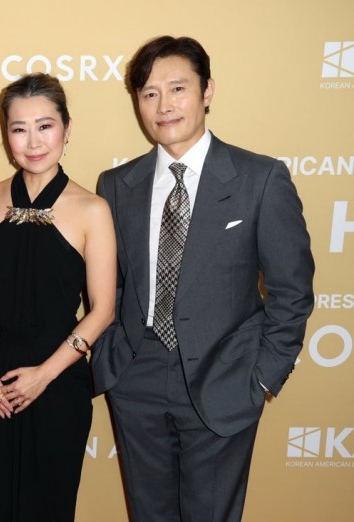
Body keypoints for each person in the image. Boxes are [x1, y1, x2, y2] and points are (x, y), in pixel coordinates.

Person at [93, 36, 315, 521]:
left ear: (207, 90)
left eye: (178, 89)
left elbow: (292, 291)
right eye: (150, 93)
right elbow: (112, 284)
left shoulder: (260, 178)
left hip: (226, 377)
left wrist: (263, 376)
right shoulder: (117, 185)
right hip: (136, 377)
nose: (164, 106)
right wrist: (114, 359)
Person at [0, 73, 117, 521]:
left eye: (45, 126)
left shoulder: (92, 209)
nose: (33, 142)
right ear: (6, 135)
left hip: (57, 384)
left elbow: (102, 310)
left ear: (67, 128)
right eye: (19, 128)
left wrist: (44, 375)